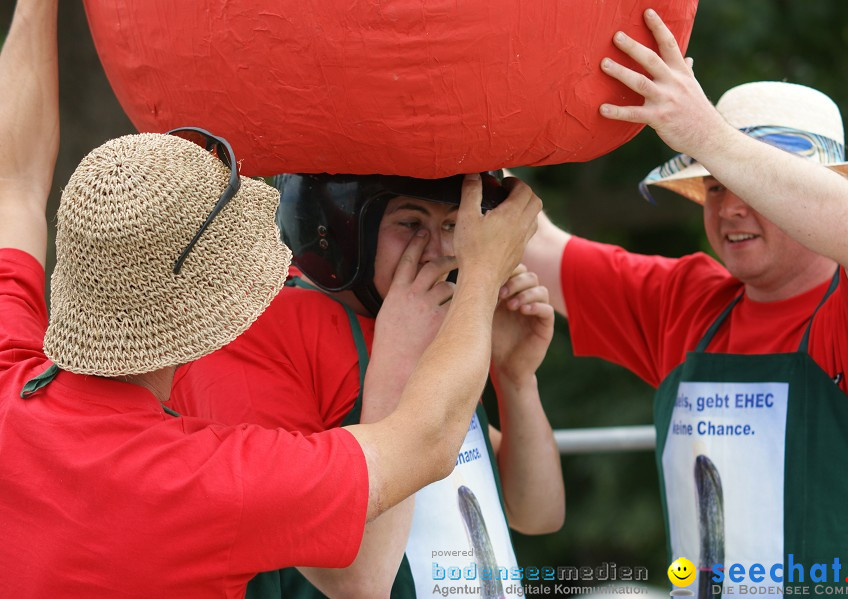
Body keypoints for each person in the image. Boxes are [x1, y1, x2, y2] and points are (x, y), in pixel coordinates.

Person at [0, 1, 542, 597]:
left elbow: (15, 183)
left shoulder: (9, 376)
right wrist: (482, 274)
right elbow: (422, 451)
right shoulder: (216, 481)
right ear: (216, 320)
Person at [523, 8, 848, 596]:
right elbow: (533, 245)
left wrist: (707, 137)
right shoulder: (686, 302)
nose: (729, 208)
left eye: (752, 185)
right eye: (715, 185)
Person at [171, 172, 565, 598]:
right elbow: (356, 581)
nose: (440, 251)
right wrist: (399, 354)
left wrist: (516, 378)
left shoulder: (429, 319)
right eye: (410, 223)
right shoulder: (257, 330)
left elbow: (538, 512)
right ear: (340, 227)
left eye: (453, 226)